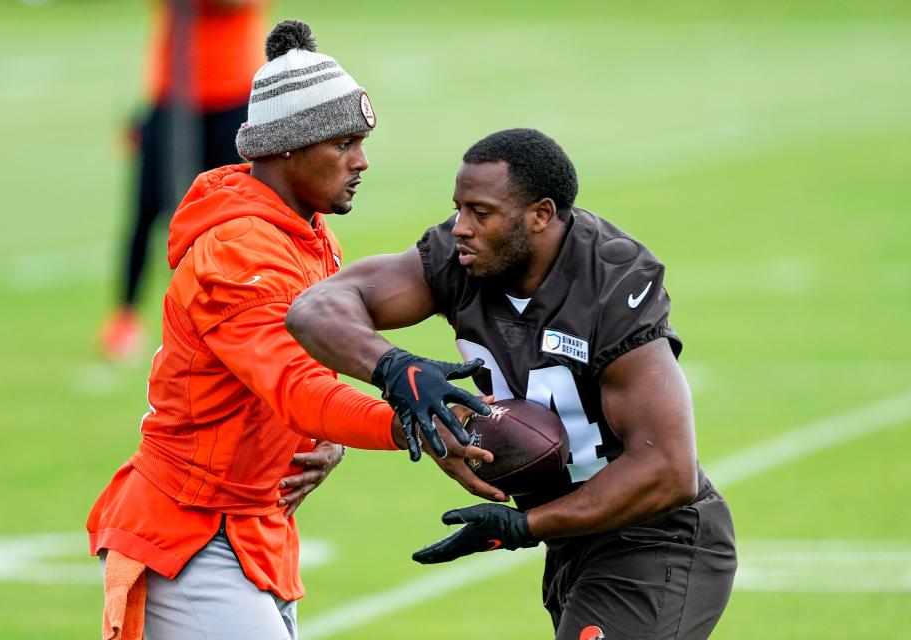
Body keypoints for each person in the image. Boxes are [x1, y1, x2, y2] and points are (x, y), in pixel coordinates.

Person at [87, 21, 490, 640]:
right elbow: (296, 386)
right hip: (192, 529)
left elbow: (295, 392)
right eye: (344, 143)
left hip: (255, 527)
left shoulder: (302, 231)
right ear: (287, 149)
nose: (362, 161)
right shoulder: (239, 250)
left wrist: (318, 438)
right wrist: (413, 422)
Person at [286, 128, 738, 639]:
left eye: (480, 213)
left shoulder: (609, 282)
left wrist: (523, 527)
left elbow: (669, 470)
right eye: (459, 209)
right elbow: (314, 309)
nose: (460, 228)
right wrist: (397, 369)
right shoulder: (461, 261)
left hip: (656, 539)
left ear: (540, 215)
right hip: (574, 537)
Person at [99, 0, 271, 360]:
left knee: (232, 217)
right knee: (147, 210)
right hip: (171, 97)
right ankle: (125, 316)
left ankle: (236, 314)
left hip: (230, 96)